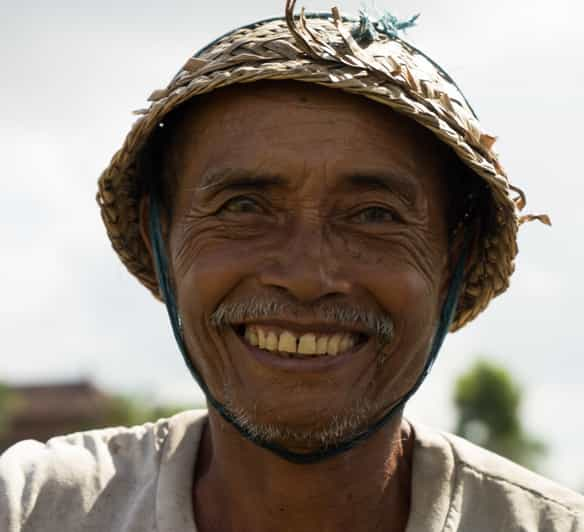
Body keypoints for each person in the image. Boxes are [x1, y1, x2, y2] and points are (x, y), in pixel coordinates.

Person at [1, 1, 582, 530]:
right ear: (161, 239)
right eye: (244, 207)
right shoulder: (33, 509)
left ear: (452, 259)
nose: (306, 275)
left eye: (374, 215)